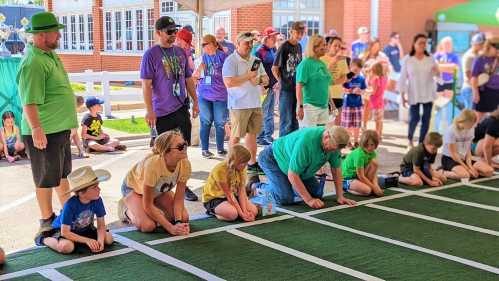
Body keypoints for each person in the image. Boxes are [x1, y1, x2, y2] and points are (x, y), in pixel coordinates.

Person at [17, 12, 78, 240]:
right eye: (55, 31)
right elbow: (29, 100)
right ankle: (46, 221)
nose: (59, 35)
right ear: (42, 36)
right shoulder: (33, 62)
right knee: (45, 178)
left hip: (58, 129)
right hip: (45, 130)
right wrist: (36, 129)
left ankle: (68, 216)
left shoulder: (49, 55)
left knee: (61, 175)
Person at [140, 16, 199, 202]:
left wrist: (195, 101)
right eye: (169, 32)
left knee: (183, 148)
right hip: (161, 111)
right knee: (162, 152)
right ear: (158, 33)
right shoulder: (151, 54)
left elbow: (188, 79)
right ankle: (157, 186)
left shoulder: (180, 53)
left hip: (181, 107)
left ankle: (183, 184)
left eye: (175, 31)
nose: (173, 35)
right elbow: (146, 85)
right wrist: (150, 110)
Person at [253, 124, 356, 208]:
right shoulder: (306, 142)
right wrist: (309, 200)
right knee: (285, 198)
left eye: (335, 150)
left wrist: (340, 196)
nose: (332, 152)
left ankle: (283, 185)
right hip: (272, 159)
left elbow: (336, 169)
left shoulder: (334, 145)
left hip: (297, 169)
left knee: (316, 194)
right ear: (326, 137)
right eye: (331, 148)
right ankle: (257, 187)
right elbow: (293, 174)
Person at [119, 131, 191, 235]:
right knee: (148, 225)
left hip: (158, 191)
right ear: (166, 151)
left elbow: (179, 199)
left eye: (185, 144)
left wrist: (178, 222)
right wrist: (170, 228)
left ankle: (155, 210)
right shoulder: (153, 164)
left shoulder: (185, 163)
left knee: (184, 217)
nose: (185, 149)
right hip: (134, 190)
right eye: (180, 147)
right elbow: (147, 205)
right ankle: (126, 210)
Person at [36, 166, 114, 253]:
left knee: (108, 239)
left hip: (85, 229)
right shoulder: (70, 205)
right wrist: (87, 240)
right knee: (66, 247)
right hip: (64, 231)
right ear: (81, 193)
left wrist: (100, 242)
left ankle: (80, 241)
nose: (99, 189)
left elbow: (101, 226)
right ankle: (43, 239)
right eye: (94, 187)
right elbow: (65, 232)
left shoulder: (97, 200)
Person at [222, 32, 269, 174]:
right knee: (235, 137)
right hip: (238, 105)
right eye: (246, 43)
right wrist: (248, 76)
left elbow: (266, 79)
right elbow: (228, 82)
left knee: (252, 135)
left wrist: (259, 80)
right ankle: (229, 165)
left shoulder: (255, 60)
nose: (250, 45)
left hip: (255, 103)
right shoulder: (231, 61)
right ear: (237, 45)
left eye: (251, 42)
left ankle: (252, 163)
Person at [400, 34, 440, 148]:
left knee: (426, 119)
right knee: (414, 117)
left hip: (428, 92)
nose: (423, 45)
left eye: (425, 43)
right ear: (414, 44)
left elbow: (437, 75)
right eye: (420, 43)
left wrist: (437, 72)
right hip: (414, 92)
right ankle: (410, 139)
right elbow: (403, 78)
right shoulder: (408, 59)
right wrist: (403, 96)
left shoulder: (430, 58)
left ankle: (421, 143)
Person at [193, 34, 229, 158]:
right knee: (206, 121)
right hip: (204, 95)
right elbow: (195, 78)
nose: (204, 47)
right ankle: (205, 149)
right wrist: (199, 68)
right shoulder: (201, 58)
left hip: (220, 95)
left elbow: (228, 74)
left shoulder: (223, 57)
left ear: (214, 44)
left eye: (206, 44)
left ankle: (220, 148)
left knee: (219, 122)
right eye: (202, 45)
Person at [202, 144, 259, 221]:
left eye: (246, 163)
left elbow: (241, 191)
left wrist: (245, 211)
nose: (246, 165)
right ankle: (213, 212)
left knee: (254, 211)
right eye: (243, 163)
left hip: (232, 195)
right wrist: (242, 214)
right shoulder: (220, 170)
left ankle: (233, 211)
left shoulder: (242, 168)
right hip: (215, 198)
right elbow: (229, 195)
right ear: (235, 161)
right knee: (233, 214)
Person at [272, 21, 305, 137]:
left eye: (302, 33)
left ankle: (291, 147)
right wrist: (281, 81)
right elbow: (274, 68)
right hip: (286, 89)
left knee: (295, 121)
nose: (300, 35)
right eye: (298, 33)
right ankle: (282, 149)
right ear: (291, 32)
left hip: (297, 88)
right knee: (286, 121)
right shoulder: (284, 46)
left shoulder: (299, 47)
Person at [441, 109, 494, 180]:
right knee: (465, 175)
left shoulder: (471, 129)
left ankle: (466, 171)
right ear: (465, 121)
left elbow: (468, 151)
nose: (473, 126)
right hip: (450, 159)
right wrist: (468, 168)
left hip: (464, 158)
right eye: (472, 123)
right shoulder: (451, 130)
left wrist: (470, 167)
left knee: (489, 171)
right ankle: (442, 172)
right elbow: (454, 155)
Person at [296, 34, 331, 127]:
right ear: (314, 47)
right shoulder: (305, 64)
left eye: (325, 45)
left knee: (321, 137)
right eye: (323, 45)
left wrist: (331, 104)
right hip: (310, 107)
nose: (325, 47)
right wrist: (300, 107)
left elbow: (325, 86)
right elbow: (299, 86)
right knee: (308, 137)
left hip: (323, 106)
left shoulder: (322, 64)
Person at [360, 39, 391, 131]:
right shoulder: (363, 56)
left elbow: (387, 69)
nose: (376, 48)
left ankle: (377, 131)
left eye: (378, 46)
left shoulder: (382, 56)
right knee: (366, 106)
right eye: (374, 46)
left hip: (377, 84)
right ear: (370, 46)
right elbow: (359, 68)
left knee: (377, 107)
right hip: (366, 83)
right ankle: (364, 125)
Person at [256, 27, 279, 146]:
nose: (275, 39)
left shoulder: (273, 49)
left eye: (275, 37)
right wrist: (260, 85)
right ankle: (259, 137)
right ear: (266, 38)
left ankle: (268, 135)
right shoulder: (259, 51)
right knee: (263, 112)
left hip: (272, 86)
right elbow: (254, 69)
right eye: (272, 37)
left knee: (270, 113)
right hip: (263, 87)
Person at [342, 130, 383, 197]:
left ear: (376, 144)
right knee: (367, 190)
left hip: (358, 176)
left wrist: (376, 185)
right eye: (367, 145)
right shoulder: (359, 155)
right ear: (363, 143)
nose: (369, 147)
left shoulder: (372, 153)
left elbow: (374, 172)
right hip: (348, 177)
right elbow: (361, 176)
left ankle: (363, 186)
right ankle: (345, 186)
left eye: (372, 145)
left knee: (374, 163)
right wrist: (373, 188)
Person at [433, 37, 461, 134]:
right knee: (438, 106)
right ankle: (436, 130)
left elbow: (455, 68)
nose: (447, 46)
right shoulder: (437, 55)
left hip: (449, 83)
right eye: (446, 44)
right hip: (439, 82)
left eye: (449, 44)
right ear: (442, 45)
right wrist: (448, 67)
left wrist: (442, 67)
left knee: (448, 106)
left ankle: (448, 130)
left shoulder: (454, 56)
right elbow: (433, 67)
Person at [322, 36, 349, 126]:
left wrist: (332, 82)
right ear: (329, 46)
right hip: (324, 95)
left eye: (339, 46)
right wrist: (333, 61)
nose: (337, 48)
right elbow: (322, 75)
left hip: (338, 95)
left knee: (337, 124)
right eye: (335, 45)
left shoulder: (342, 59)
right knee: (326, 124)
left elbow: (345, 77)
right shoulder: (321, 58)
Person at [471, 36, 499, 122]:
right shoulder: (479, 59)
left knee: (495, 118)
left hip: (497, 91)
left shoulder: (497, 58)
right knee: (478, 118)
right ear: (489, 47)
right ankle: (474, 135)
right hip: (484, 91)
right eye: (497, 48)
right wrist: (475, 92)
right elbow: (474, 77)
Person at [341, 58, 366, 146]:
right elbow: (343, 89)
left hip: (358, 105)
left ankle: (356, 141)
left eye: (359, 70)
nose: (357, 72)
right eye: (355, 70)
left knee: (357, 124)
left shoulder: (361, 78)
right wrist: (351, 91)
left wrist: (360, 91)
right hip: (347, 104)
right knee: (347, 124)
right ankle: (348, 141)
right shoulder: (347, 77)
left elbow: (364, 90)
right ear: (350, 67)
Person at [460, 33, 485, 110]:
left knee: (474, 115)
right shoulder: (470, 56)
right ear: (474, 44)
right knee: (470, 116)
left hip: (474, 88)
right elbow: (469, 74)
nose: (482, 46)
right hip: (470, 89)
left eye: (482, 44)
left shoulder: (478, 55)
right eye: (480, 44)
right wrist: (476, 90)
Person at [368, 62, 388, 139]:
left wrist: (365, 91)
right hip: (381, 101)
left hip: (375, 102)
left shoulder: (375, 79)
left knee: (377, 121)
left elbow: (373, 91)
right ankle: (380, 134)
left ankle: (377, 135)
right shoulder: (384, 78)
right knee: (380, 120)